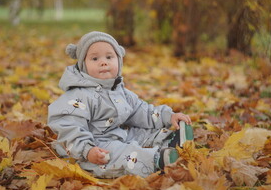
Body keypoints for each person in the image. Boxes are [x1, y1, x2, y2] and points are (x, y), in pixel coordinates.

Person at [48, 31, 192, 178]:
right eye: (95, 58)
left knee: (141, 133)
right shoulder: (79, 95)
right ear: (83, 65)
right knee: (121, 153)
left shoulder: (119, 90)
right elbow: (70, 126)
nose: (103, 62)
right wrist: (87, 150)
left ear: (119, 60)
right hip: (95, 144)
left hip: (119, 133)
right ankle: (155, 160)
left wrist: (168, 116)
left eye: (109, 57)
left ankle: (171, 141)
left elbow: (141, 110)